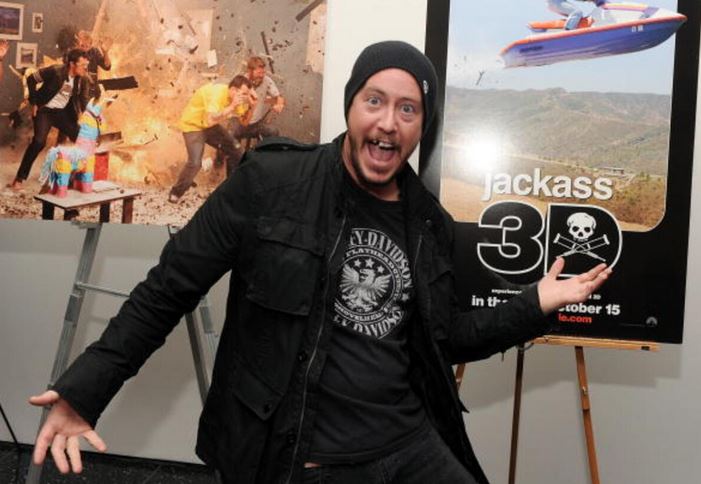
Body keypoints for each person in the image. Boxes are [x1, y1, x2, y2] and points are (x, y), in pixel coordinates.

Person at [29, 41, 611, 484]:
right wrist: (85, 390)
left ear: (422, 127)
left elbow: (443, 339)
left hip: (405, 441)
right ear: (351, 106)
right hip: (298, 455)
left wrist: (534, 304)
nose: (388, 122)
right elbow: (168, 289)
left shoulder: (431, 224)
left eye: (408, 109)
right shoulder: (270, 181)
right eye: (375, 101)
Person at [8, 49, 89, 190]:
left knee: (82, 138)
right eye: (82, 65)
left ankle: (71, 176)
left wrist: (90, 115)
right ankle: (19, 178)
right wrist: (34, 102)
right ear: (72, 64)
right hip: (45, 111)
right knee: (39, 142)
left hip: (62, 112)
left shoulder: (83, 79)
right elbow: (31, 79)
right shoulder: (55, 71)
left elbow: (83, 100)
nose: (85, 68)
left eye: (86, 65)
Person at [168, 75, 256, 202]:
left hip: (210, 126)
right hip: (193, 126)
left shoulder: (238, 99)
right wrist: (231, 107)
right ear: (233, 90)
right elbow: (210, 120)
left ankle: (232, 190)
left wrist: (253, 105)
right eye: (244, 94)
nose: (245, 97)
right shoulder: (217, 93)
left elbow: (244, 122)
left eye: (247, 94)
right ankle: (176, 192)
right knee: (195, 163)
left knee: (237, 151)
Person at [234, 56, 285, 142]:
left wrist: (279, 104)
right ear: (250, 71)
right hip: (240, 122)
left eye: (263, 73)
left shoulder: (266, 80)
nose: (261, 76)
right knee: (231, 136)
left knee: (274, 132)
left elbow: (279, 96)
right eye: (258, 73)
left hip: (256, 124)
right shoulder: (240, 81)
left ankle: (263, 150)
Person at [73, 30, 112, 100]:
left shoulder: (94, 52)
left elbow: (107, 67)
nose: (84, 49)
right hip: (78, 91)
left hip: (93, 90)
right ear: (78, 44)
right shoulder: (73, 54)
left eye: (87, 46)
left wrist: (105, 53)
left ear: (91, 45)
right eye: (82, 46)